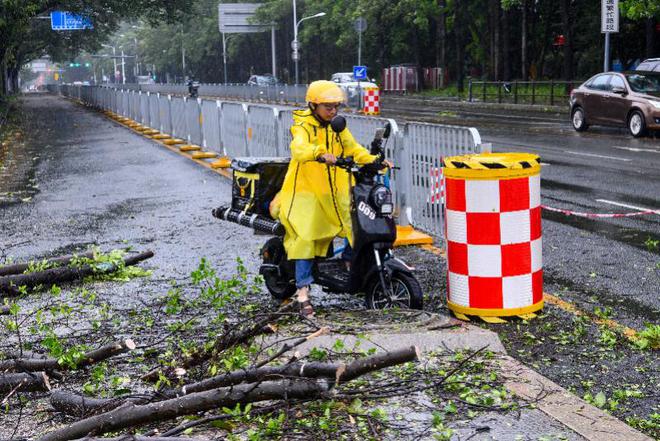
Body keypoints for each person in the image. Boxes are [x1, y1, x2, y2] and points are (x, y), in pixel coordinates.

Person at [276, 80, 380, 317]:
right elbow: (298, 149)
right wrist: (319, 153)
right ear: (313, 105)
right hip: (305, 192)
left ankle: (348, 262)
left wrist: (375, 161)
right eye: (328, 106)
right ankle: (302, 293)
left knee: (356, 225)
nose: (333, 111)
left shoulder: (337, 125)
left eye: (336, 106)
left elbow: (353, 148)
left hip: (335, 190)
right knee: (306, 237)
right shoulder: (302, 125)